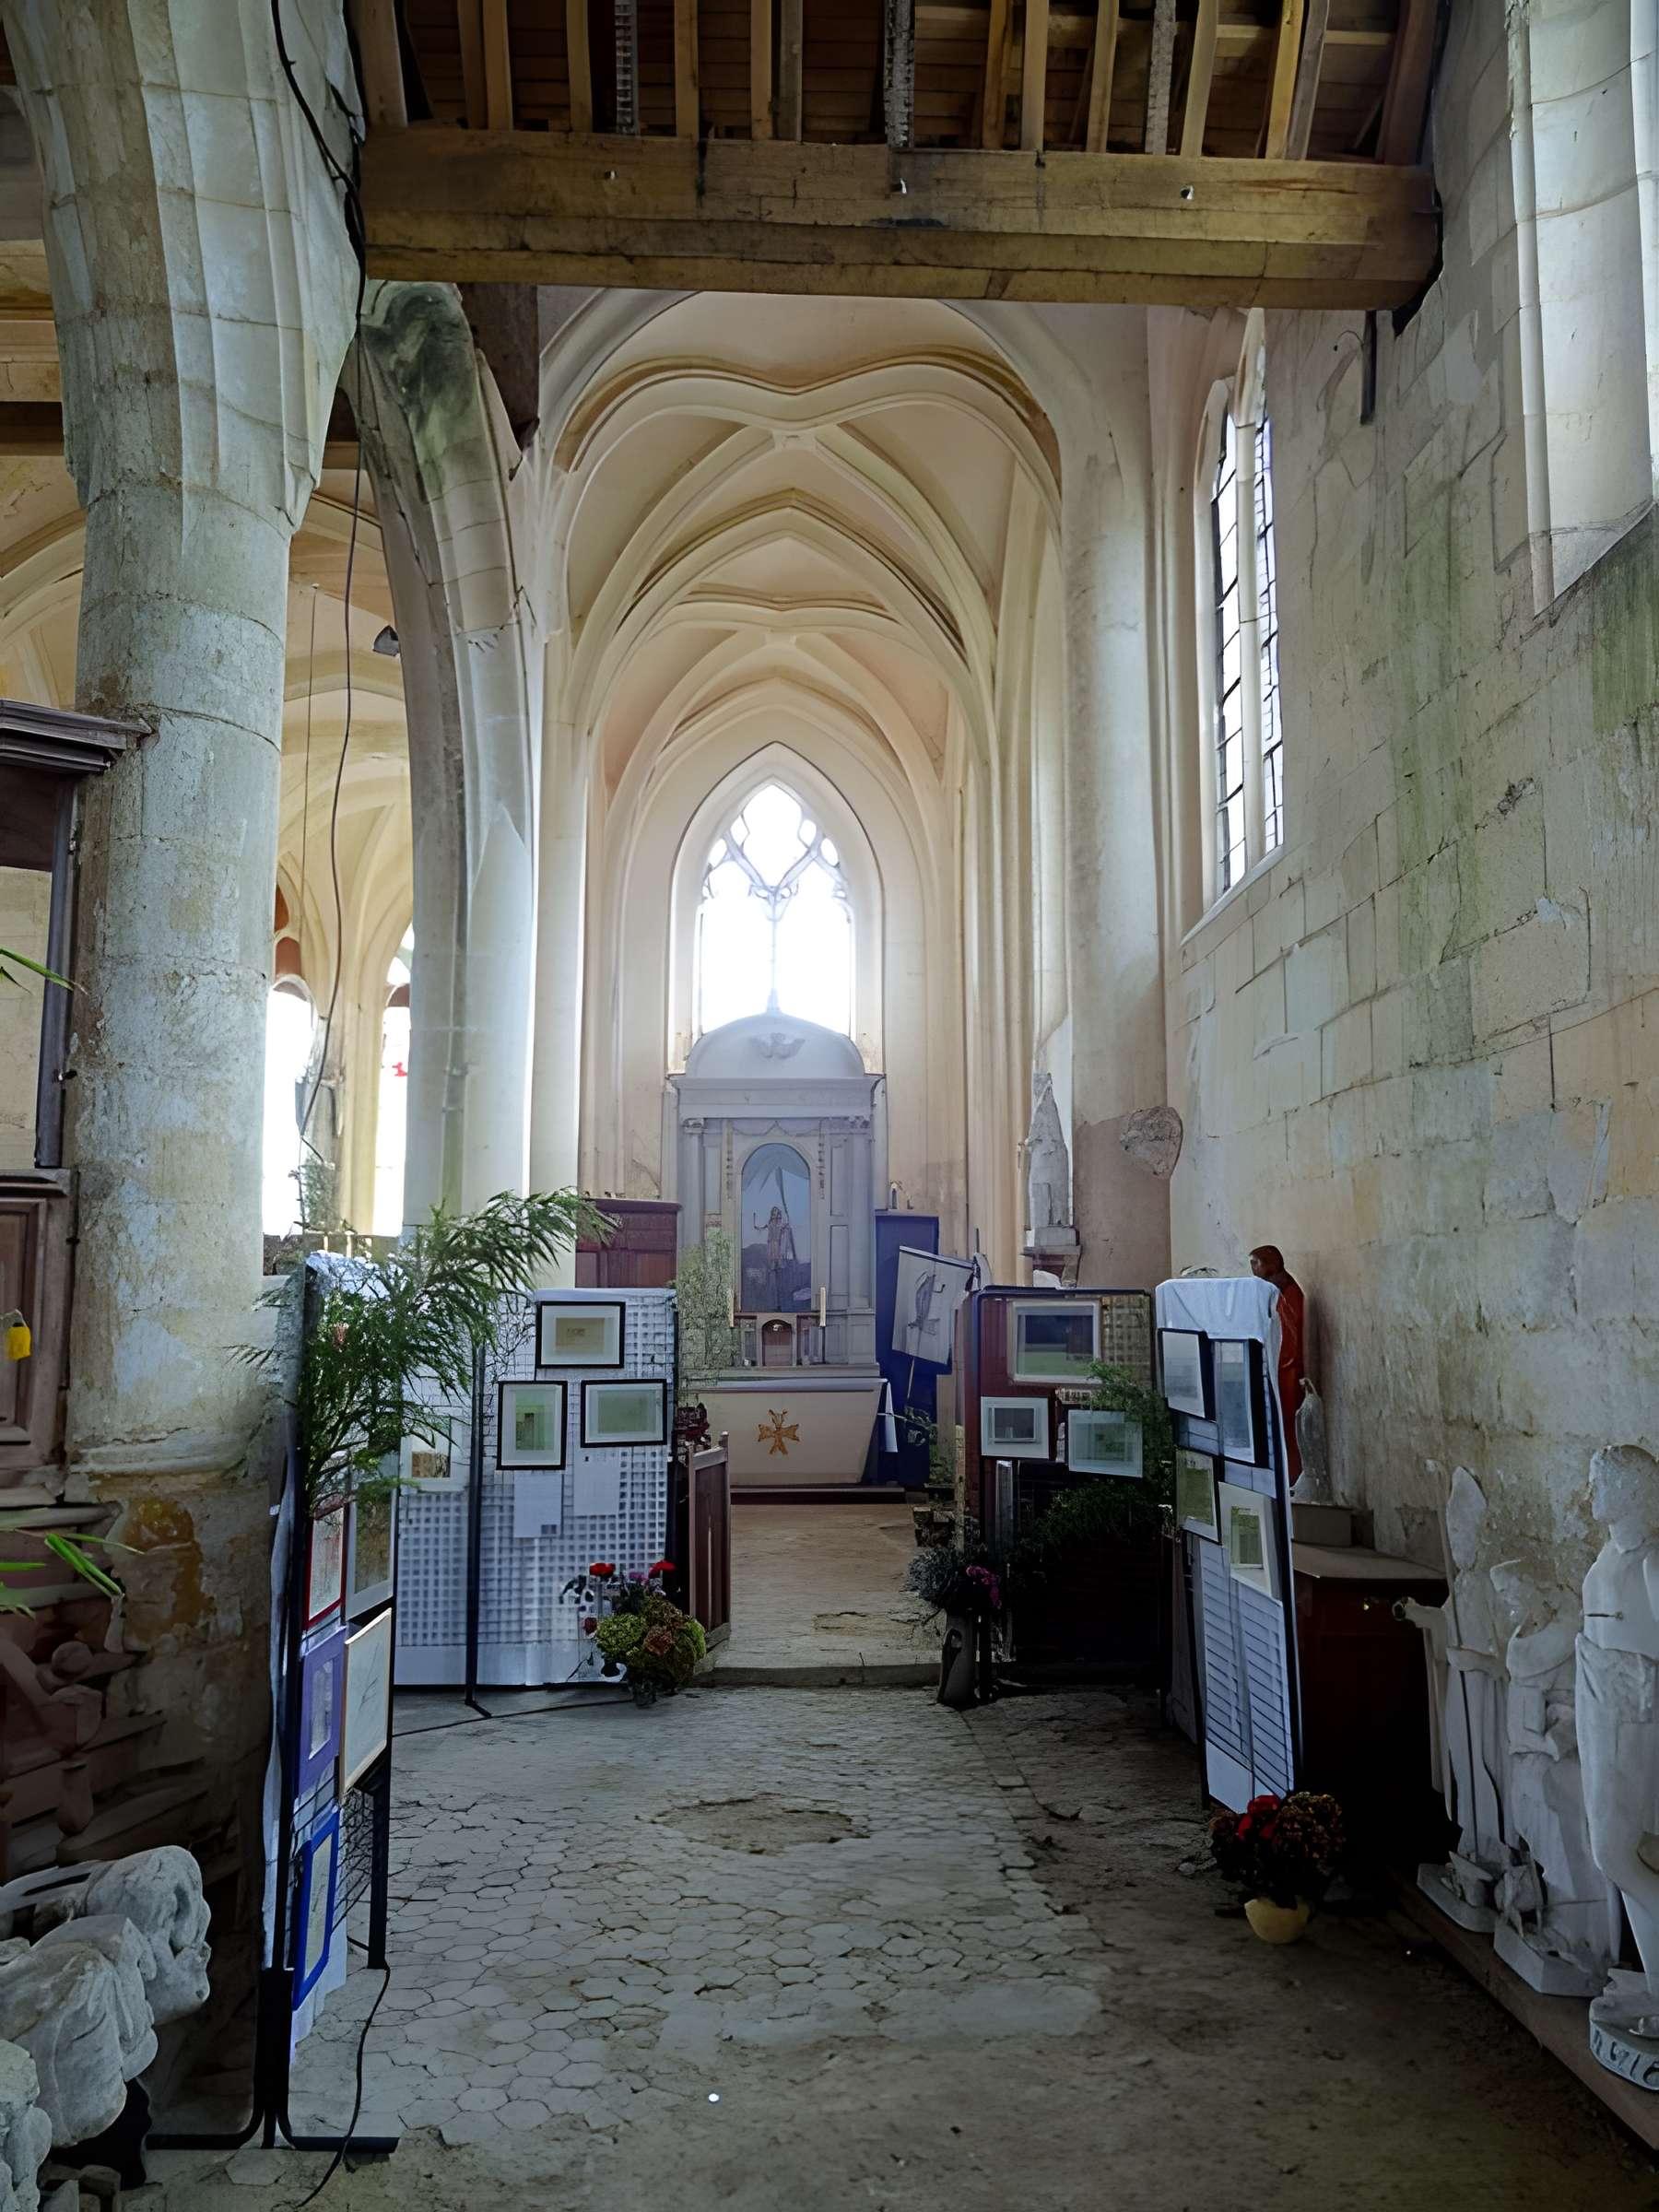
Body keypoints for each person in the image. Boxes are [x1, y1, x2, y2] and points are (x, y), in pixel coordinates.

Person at [1249, 1244, 1304, 1485]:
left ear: (1271, 1263)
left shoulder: (1287, 1292)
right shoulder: (1272, 1290)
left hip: (1287, 1371)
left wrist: (1278, 1361)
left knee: (1288, 1427)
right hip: (1276, 1369)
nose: (1253, 1268)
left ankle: (1291, 1476)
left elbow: (1290, 1335)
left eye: (1256, 1263)